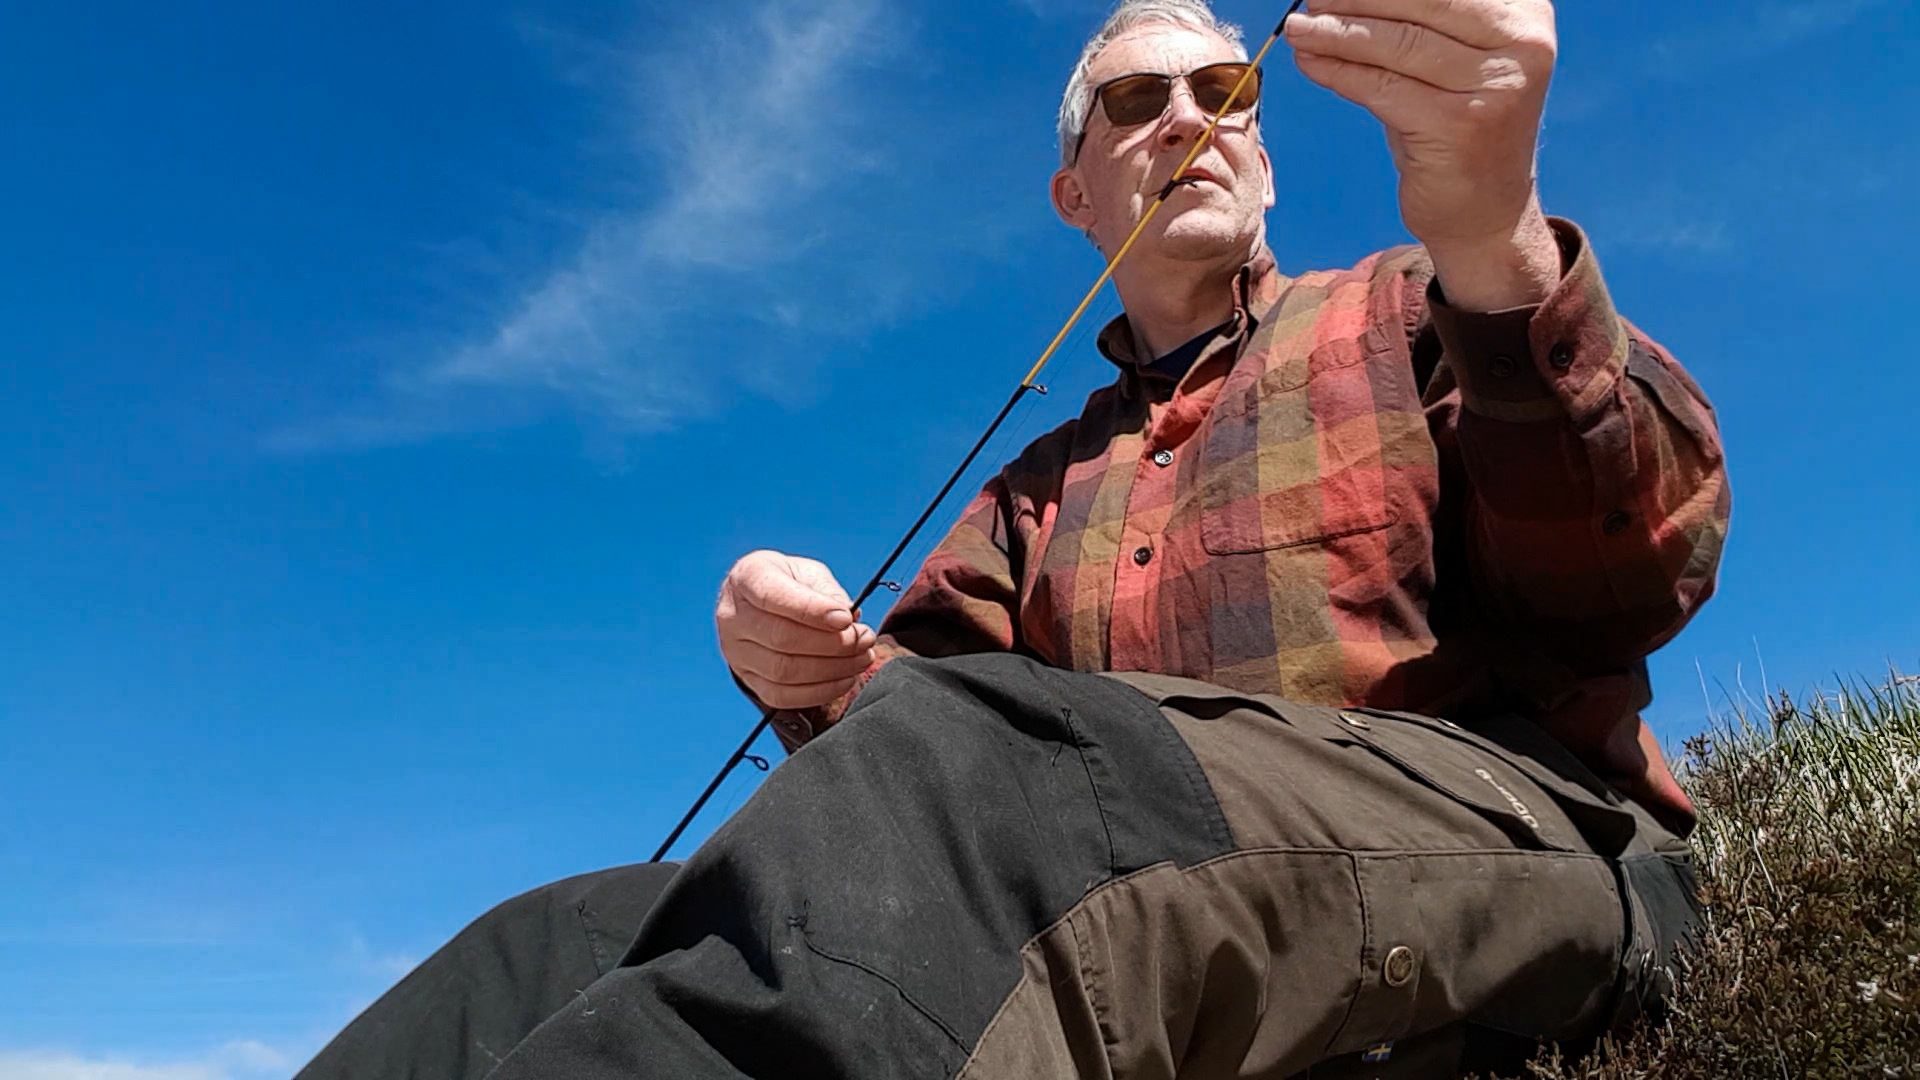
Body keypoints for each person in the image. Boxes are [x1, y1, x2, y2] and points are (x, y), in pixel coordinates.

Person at [299, 1, 1729, 1076]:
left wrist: (1496, 240)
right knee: (568, 934)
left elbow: (1630, 577)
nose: (1187, 118)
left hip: (1542, 849)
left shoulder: (1419, 306)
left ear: (1269, 161)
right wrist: (799, 668)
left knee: (1020, 788)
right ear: (1079, 193)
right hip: (1145, 871)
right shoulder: (1040, 489)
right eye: (1135, 102)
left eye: (1224, 90)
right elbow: (897, 730)